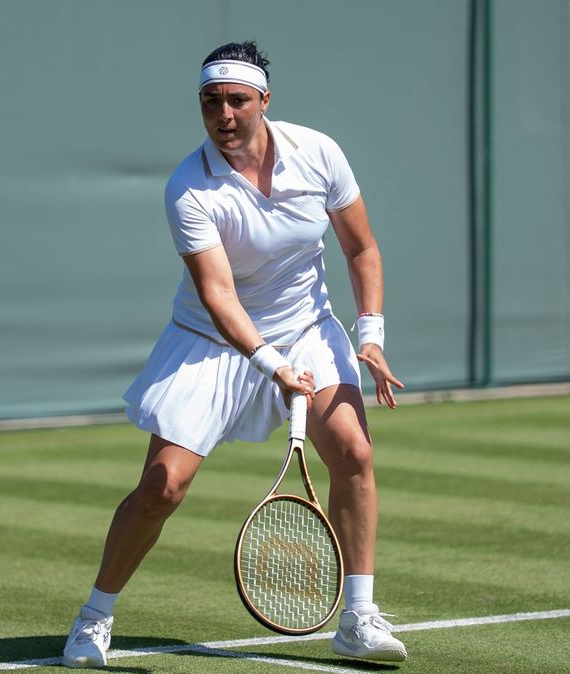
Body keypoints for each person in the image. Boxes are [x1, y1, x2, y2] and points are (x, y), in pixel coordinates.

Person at [62, 40, 407, 668]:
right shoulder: (188, 187)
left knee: (354, 453)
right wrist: (272, 365)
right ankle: (93, 618)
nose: (223, 114)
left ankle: (358, 619)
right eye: (210, 101)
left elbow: (362, 249)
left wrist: (370, 336)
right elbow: (218, 294)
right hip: (212, 341)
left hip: (306, 326)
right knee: (162, 487)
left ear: (264, 101)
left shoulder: (319, 153)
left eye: (237, 100)